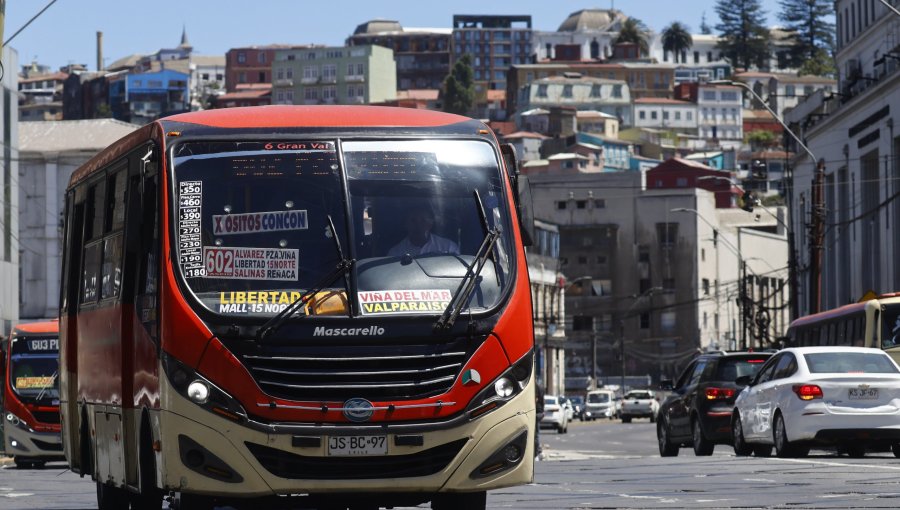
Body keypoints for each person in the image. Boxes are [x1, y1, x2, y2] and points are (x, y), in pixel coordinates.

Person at [387, 203, 459, 257]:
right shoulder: (395, 254)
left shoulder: (449, 247)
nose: (418, 225)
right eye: (413, 221)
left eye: (423, 221)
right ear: (405, 224)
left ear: (431, 224)